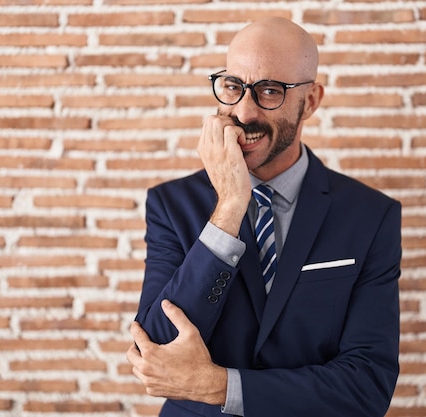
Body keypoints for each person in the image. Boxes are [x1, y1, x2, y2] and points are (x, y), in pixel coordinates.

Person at [126, 17, 401, 417]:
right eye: (234, 87)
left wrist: (220, 386)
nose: (243, 110)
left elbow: (366, 388)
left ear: (310, 101)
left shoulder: (371, 215)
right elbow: (155, 351)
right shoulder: (171, 204)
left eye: (270, 91)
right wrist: (229, 208)